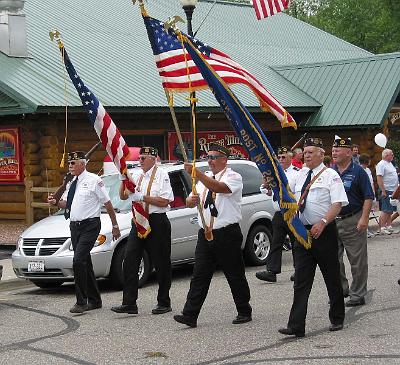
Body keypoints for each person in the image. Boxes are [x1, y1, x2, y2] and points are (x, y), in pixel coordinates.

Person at [174, 143, 252, 328]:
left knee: (234, 273)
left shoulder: (234, 176)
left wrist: (197, 173)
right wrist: (190, 201)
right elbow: (193, 201)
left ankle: (244, 309)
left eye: (213, 157)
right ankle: (190, 314)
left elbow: (219, 188)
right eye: (207, 157)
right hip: (206, 233)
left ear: (224, 159)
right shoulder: (205, 179)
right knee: (199, 275)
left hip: (227, 233)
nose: (209, 161)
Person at [278, 137, 348, 337]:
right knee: (301, 279)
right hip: (302, 233)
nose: (306, 155)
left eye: (310, 152)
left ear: (321, 154)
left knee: (331, 276)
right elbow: (288, 194)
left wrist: (323, 222)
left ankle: (337, 318)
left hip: (324, 231)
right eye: (305, 152)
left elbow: (337, 204)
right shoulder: (300, 175)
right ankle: (296, 325)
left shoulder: (330, 175)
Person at [48, 151, 121, 313]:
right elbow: (68, 204)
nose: (70, 166)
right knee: (85, 263)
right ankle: (95, 300)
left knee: (78, 260)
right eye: (69, 163)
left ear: (83, 164)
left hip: (90, 225)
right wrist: (56, 202)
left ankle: (81, 301)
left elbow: (108, 204)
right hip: (75, 226)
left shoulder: (94, 180)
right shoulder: (71, 182)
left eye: (73, 163)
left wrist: (115, 226)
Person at [111, 147, 174, 315]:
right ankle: (129, 303)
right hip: (138, 220)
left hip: (156, 221)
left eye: (143, 158)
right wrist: (123, 180)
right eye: (139, 158)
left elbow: (165, 200)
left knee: (161, 262)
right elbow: (124, 196)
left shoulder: (162, 175)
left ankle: (164, 301)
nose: (140, 161)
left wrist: (143, 197)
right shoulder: (138, 176)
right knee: (130, 259)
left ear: (153, 159)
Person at [332, 138, 374, 307]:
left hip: (353, 219)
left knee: (357, 260)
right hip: (332, 221)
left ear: (349, 152)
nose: (334, 152)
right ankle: (341, 289)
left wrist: (364, 218)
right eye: (333, 149)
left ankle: (358, 294)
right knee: (334, 260)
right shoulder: (330, 172)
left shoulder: (358, 172)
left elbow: (368, 196)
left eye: (338, 150)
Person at [255, 146, 299, 283]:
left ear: (291, 158)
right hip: (279, 213)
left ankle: (299, 270)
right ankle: (272, 271)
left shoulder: (297, 173)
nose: (280, 160)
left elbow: (298, 192)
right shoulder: (274, 173)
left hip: (292, 212)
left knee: (296, 243)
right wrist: (266, 185)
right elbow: (264, 190)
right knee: (276, 242)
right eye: (279, 158)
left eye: (283, 157)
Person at [376, 149, 399, 234]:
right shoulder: (381, 164)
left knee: (390, 209)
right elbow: (379, 177)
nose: (393, 156)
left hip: (393, 190)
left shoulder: (389, 164)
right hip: (386, 189)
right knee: (385, 209)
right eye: (391, 155)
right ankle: (382, 227)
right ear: (386, 156)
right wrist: (383, 190)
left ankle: (389, 226)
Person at [359, 153, 376, 238]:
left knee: (368, 213)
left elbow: (371, 182)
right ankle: (363, 231)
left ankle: (367, 229)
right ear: (366, 161)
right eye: (369, 160)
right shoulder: (360, 170)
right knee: (363, 213)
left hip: (370, 193)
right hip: (363, 196)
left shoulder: (368, 170)